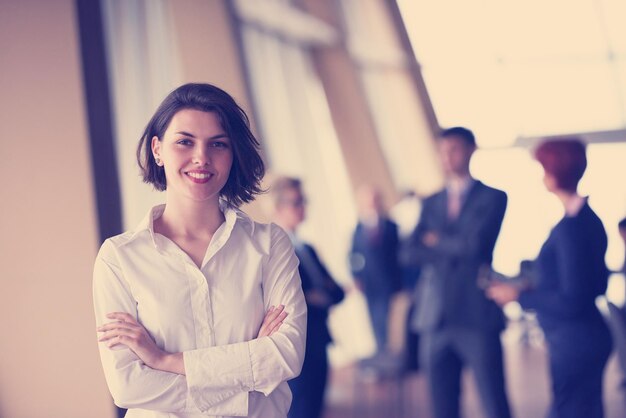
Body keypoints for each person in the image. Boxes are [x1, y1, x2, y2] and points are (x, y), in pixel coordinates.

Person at [93, 83, 307, 418]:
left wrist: (164, 361)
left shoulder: (269, 244)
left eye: (218, 144)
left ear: (232, 153)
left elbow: (286, 355)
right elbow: (128, 387)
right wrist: (249, 378)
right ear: (157, 149)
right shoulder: (119, 258)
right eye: (185, 141)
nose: (201, 158)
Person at [488, 138, 612, 418]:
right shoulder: (587, 219)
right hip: (585, 338)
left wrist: (518, 294)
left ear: (554, 171)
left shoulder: (571, 228)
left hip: (574, 341)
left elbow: (572, 300)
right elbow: (592, 283)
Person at [402, 127, 511, 418]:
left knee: (494, 402)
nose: (447, 157)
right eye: (442, 151)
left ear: (471, 150)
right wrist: (453, 244)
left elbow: (476, 247)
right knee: (441, 406)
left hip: (476, 313)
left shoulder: (494, 197)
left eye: (454, 150)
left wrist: (435, 240)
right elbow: (409, 251)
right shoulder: (431, 201)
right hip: (434, 317)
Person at [270, 176, 345, 418]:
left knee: (315, 406)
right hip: (296, 343)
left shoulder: (307, 248)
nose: (303, 207)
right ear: (279, 208)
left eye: (304, 201)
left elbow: (336, 292)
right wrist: (313, 295)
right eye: (297, 202)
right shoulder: (271, 250)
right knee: (299, 408)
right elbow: (281, 301)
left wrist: (316, 295)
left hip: (319, 338)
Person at [350, 185, 402, 359]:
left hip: (390, 282)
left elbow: (399, 254)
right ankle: (382, 353)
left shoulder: (391, 226)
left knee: (392, 320)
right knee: (375, 319)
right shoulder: (358, 229)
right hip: (370, 284)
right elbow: (353, 255)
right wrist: (356, 276)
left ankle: (395, 353)